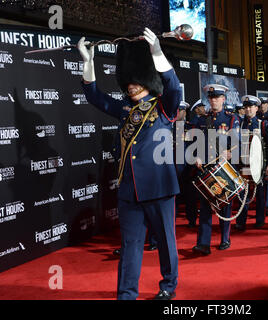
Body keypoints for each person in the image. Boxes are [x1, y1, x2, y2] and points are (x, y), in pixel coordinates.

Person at [78, 28, 181, 300]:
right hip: (129, 190)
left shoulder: (163, 107)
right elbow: (95, 96)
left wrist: (157, 52)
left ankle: (168, 286)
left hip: (158, 188)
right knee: (130, 245)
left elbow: (174, 86)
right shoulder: (125, 109)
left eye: (136, 80)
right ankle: (126, 294)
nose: (130, 85)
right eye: (128, 81)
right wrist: (88, 63)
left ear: (147, 79)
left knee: (166, 243)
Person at [192, 84, 240, 255]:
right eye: (211, 98)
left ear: (223, 99)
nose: (213, 100)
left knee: (224, 205)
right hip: (206, 167)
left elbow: (237, 143)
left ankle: (225, 238)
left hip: (224, 169)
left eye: (217, 97)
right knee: (205, 206)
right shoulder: (202, 120)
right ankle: (203, 243)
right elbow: (197, 143)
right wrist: (196, 157)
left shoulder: (231, 119)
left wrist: (230, 152)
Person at [234, 95, 266, 231]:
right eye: (246, 107)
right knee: (243, 193)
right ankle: (241, 222)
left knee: (259, 194)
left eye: (250, 107)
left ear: (256, 108)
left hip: (258, 163)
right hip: (243, 163)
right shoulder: (239, 123)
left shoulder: (261, 123)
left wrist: (266, 165)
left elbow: (266, 146)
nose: (248, 109)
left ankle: (260, 220)